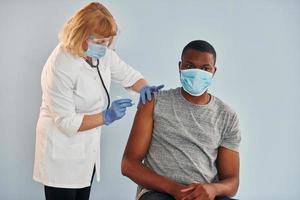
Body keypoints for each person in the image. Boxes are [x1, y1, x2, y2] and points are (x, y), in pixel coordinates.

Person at [33, 2, 163, 200]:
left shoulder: (101, 53)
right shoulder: (61, 64)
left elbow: (128, 75)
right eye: (100, 41)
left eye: (108, 41)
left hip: (87, 150)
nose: (106, 47)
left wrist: (144, 86)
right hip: (60, 150)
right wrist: (106, 116)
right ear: (80, 35)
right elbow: (66, 122)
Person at [121, 40, 241, 200]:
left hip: (204, 195)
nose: (197, 73)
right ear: (180, 67)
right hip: (159, 193)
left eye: (205, 69)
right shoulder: (154, 102)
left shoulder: (227, 116)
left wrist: (212, 190)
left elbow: (232, 181)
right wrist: (175, 190)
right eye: (190, 66)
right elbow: (129, 164)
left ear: (214, 71)